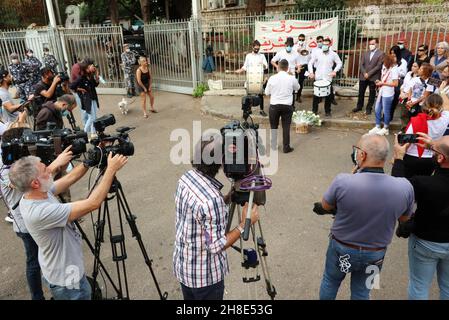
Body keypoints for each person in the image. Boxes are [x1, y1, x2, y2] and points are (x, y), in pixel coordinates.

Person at [8, 152, 128, 300]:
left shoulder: (36, 193)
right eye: (45, 169)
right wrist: (110, 170)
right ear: (35, 183)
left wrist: (88, 161)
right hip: (67, 278)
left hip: (61, 268)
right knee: (81, 295)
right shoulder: (39, 212)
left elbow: (69, 179)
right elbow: (93, 203)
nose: (50, 170)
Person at [319, 133, 414, 300]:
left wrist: (352, 175)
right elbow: (404, 219)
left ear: (362, 155)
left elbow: (326, 206)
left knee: (331, 281)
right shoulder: (405, 187)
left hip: (342, 248)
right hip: (375, 254)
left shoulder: (343, 181)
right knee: (362, 292)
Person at [173, 136, 259, 300]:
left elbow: (200, 215)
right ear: (220, 162)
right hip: (205, 279)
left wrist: (226, 198)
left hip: (185, 268)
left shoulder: (186, 178)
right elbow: (216, 245)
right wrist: (244, 224)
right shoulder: (211, 201)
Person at [0, 127, 73, 299]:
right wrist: (55, 163)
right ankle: (37, 296)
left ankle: (56, 284)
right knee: (34, 262)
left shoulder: (22, 165)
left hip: (39, 216)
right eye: (27, 143)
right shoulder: (6, 169)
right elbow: (28, 182)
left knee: (49, 257)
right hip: (25, 225)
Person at [392, 132, 449, 300]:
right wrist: (434, 146)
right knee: (447, 286)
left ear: (440, 159)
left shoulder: (423, 183)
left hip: (426, 242)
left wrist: (399, 158)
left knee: (419, 285)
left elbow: (398, 190)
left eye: (434, 152)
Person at [401, 93, 449, 178]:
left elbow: (406, 142)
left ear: (425, 105)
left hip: (411, 157)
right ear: (440, 107)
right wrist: (441, 90)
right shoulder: (445, 119)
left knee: (407, 182)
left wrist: (397, 157)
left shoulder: (416, 121)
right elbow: (447, 104)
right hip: (431, 158)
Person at [265, 59, 300, 154]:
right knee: (286, 127)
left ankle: (273, 146)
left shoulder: (272, 78)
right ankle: (286, 147)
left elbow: (267, 92)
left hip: (274, 106)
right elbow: (297, 88)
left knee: (273, 126)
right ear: (287, 68)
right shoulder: (291, 78)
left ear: (278, 67)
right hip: (287, 106)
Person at [308, 38, 343, 117]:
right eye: (324, 44)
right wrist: (311, 72)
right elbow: (310, 63)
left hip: (328, 78)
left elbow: (339, 63)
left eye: (327, 44)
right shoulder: (317, 53)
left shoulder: (333, 54)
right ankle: (314, 111)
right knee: (316, 95)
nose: (325, 46)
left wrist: (335, 71)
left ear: (330, 45)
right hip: (318, 77)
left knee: (328, 96)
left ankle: (327, 111)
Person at [235, 40, 269, 116]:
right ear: (252, 47)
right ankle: (249, 109)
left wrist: (265, 78)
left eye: (258, 49)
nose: (257, 50)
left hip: (259, 78)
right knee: (249, 94)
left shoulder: (262, 56)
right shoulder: (248, 56)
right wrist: (240, 70)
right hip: (250, 78)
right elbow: (245, 66)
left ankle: (261, 110)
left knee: (260, 95)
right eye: (255, 48)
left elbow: (266, 67)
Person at [368, 54, 399, 136]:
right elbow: (384, 78)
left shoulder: (394, 70)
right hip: (382, 91)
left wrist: (383, 83)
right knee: (377, 108)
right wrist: (379, 81)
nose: (383, 62)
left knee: (386, 111)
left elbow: (395, 84)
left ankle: (386, 128)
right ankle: (377, 126)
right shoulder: (384, 68)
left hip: (388, 93)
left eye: (384, 61)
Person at [353, 38, 385, 115]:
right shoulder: (365, 53)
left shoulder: (381, 54)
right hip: (363, 76)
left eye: (373, 44)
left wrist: (369, 74)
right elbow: (361, 64)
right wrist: (364, 73)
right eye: (370, 44)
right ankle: (359, 106)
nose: (371, 45)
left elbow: (379, 66)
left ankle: (368, 108)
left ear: (377, 44)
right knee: (361, 92)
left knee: (372, 93)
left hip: (373, 77)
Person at [69, 62, 100, 139]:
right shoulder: (81, 78)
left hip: (93, 98)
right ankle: (83, 133)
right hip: (87, 100)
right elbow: (71, 86)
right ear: (86, 69)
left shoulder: (91, 76)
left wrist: (96, 74)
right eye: (90, 66)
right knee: (91, 117)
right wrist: (79, 89)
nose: (92, 66)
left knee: (94, 116)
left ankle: (93, 133)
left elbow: (95, 85)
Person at [399, 61, 421, 129]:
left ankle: (408, 131)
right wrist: (401, 92)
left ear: (419, 68)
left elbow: (417, 92)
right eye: (412, 66)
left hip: (411, 99)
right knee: (403, 114)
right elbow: (403, 85)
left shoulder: (419, 78)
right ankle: (403, 129)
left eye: (415, 66)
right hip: (403, 96)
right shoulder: (409, 73)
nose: (412, 67)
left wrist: (406, 95)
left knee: (410, 115)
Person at [390, 45, 409, 120]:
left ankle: (390, 116)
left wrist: (395, 70)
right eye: (391, 53)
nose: (392, 55)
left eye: (394, 53)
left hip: (397, 82)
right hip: (389, 81)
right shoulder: (389, 60)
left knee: (393, 101)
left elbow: (403, 73)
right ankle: (385, 116)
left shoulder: (403, 61)